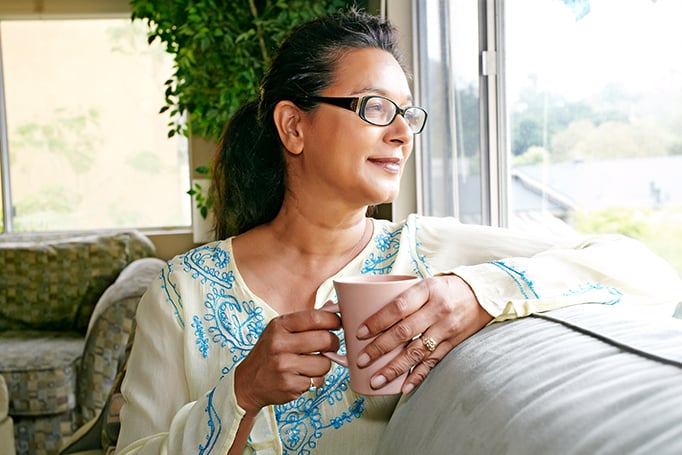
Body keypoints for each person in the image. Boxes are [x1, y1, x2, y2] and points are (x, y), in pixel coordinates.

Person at [116, 9, 682, 455]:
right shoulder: (181, 290)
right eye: (376, 108)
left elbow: (645, 271)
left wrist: (474, 294)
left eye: (407, 115)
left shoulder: (428, 251)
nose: (402, 135)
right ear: (294, 126)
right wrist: (240, 393)